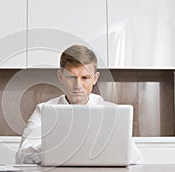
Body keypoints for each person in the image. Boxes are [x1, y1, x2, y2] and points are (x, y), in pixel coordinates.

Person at [15, 44, 143, 164]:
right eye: (72, 77)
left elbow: (136, 157)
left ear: (95, 78)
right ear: (60, 77)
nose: (78, 86)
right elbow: (21, 155)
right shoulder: (43, 110)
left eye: (85, 78)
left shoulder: (111, 112)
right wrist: (53, 149)